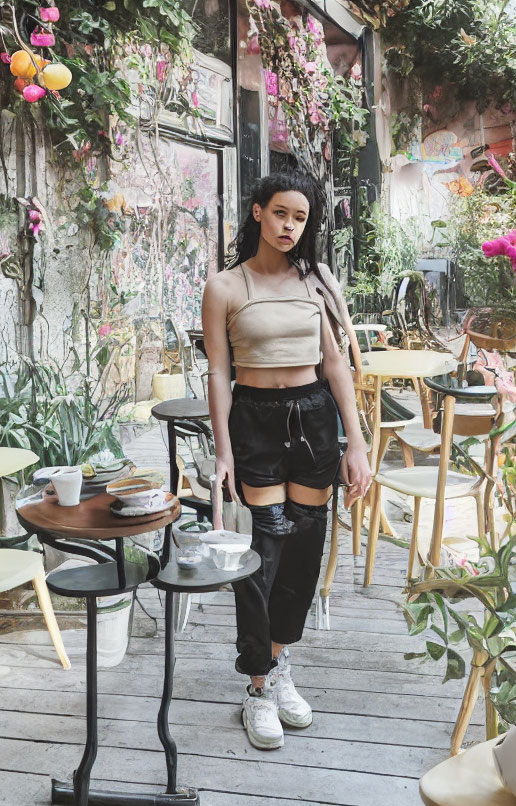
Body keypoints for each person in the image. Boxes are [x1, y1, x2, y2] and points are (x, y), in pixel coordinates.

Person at [201, 170, 372, 750]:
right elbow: (219, 371)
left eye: (300, 218)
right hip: (254, 419)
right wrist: (222, 451)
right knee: (262, 550)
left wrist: (359, 441)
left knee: (303, 548)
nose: (289, 226)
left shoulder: (318, 280)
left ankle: (279, 665)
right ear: (257, 212)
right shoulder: (225, 286)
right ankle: (256, 687)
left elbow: (337, 366)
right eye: (280, 213)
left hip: (314, 419)